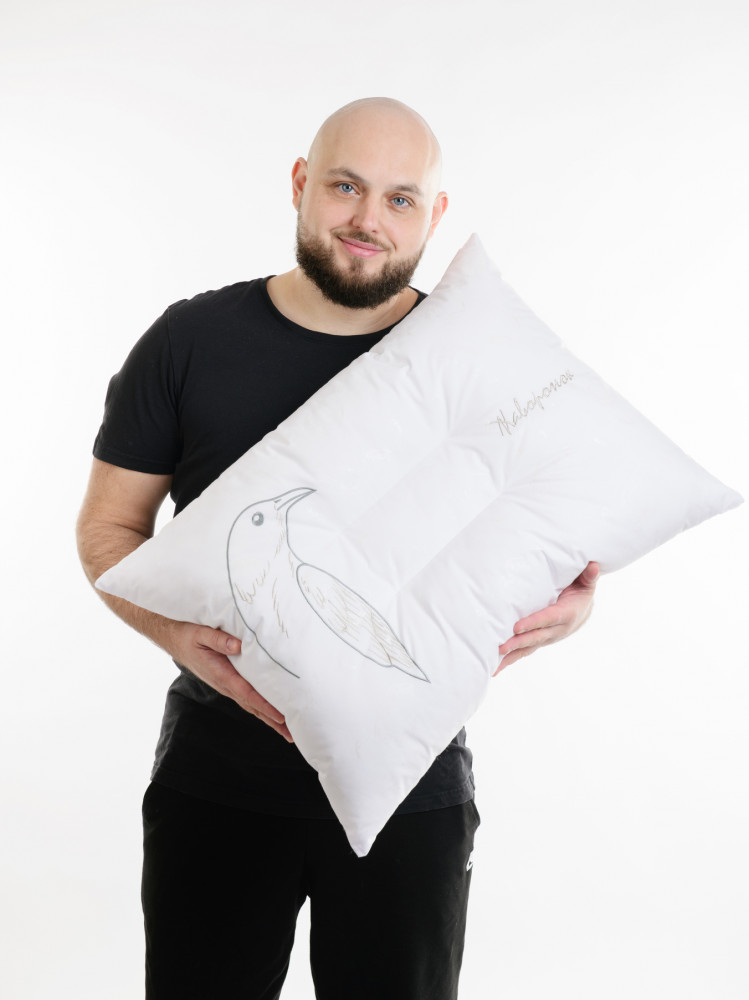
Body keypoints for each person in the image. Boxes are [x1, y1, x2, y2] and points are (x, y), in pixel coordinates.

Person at [77, 97, 599, 1000]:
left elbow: (555, 542)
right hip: (218, 774)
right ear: (299, 184)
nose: (367, 219)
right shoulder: (190, 342)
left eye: (400, 199)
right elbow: (107, 528)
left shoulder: (471, 360)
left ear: (434, 216)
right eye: (345, 187)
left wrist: (577, 608)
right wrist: (169, 631)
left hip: (411, 788)